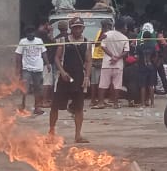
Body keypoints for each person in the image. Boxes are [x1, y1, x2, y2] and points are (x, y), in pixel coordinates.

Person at [48, 15, 90, 145]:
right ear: (71, 28)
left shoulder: (87, 43)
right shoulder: (64, 41)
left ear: (83, 28)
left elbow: (89, 60)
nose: (77, 30)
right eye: (75, 27)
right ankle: (51, 133)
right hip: (64, 77)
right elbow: (56, 58)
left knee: (79, 108)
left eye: (79, 27)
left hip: (79, 77)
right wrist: (62, 71)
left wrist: (87, 77)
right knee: (55, 106)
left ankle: (78, 135)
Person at [98, 17, 129, 108]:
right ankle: (115, 103)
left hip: (106, 63)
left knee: (103, 84)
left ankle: (101, 102)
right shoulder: (124, 38)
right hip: (118, 64)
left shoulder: (107, 34)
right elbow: (126, 51)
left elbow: (102, 46)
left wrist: (111, 56)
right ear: (123, 27)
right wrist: (117, 57)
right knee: (117, 85)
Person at [15, 26, 46, 115]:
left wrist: (47, 63)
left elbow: (44, 52)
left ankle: (37, 107)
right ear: (26, 34)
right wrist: (18, 68)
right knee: (25, 88)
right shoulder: (23, 42)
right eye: (29, 33)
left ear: (34, 33)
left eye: (32, 32)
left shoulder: (39, 41)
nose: (31, 34)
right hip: (27, 68)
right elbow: (18, 55)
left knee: (38, 89)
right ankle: (23, 106)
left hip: (38, 68)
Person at [135, 23, 160, 107]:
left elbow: (137, 57)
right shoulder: (153, 46)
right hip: (151, 67)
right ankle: (152, 103)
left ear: (143, 37)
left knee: (142, 86)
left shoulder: (139, 46)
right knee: (151, 85)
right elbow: (156, 56)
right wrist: (154, 63)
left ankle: (142, 103)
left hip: (142, 67)